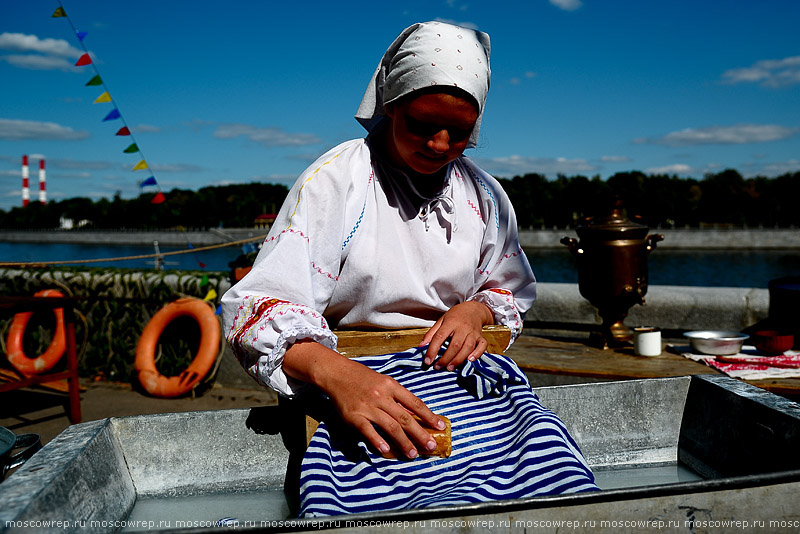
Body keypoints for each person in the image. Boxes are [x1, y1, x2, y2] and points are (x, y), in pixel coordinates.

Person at [222, 21, 596, 516]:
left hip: (459, 382)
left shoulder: (483, 197)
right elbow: (258, 310)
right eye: (422, 125)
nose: (440, 145)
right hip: (349, 384)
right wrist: (341, 377)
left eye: (459, 133)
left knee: (543, 483)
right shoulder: (338, 182)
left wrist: (474, 313)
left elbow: (506, 290)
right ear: (391, 105)